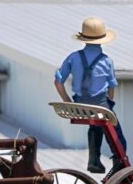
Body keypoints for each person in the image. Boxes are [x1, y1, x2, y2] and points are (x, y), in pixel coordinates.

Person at [54, 16, 128, 174]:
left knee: (96, 124)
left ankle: (93, 159)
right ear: (102, 40)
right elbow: (112, 87)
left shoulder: (73, 57)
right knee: (115, 130)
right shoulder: (107, 61)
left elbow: (58, 81)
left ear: (83, 39)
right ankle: (119, 162)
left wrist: (67, 100)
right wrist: (109, 102)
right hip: (101, 105)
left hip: (80, 105)